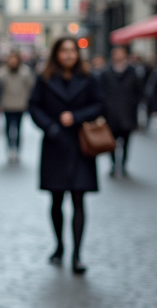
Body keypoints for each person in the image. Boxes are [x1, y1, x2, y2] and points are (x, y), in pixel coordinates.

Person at [28, 37, 105, 275]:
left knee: (79, 199)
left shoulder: (89, 77)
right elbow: (34, 106)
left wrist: (77, 116)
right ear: (56, 54)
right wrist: (51, 127)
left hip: (81, 146)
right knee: (57, 200)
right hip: (55, 145)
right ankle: (60, 245)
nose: (69, 55)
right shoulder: (45, 78)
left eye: (73, 50)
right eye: (64, 51)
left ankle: (77, 254)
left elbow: (101, 106)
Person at [98, 46, 144, 177]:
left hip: (128, 113)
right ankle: (113, 164)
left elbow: (139, 91)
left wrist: (134, 104)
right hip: (110, 114)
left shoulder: (132, 72)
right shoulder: (106, 73)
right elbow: (100, 92)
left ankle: (123, 164)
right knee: (111, 142)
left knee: (126, 141)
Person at [0, 52, 36, 163]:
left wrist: (29, 103)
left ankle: (17, 149)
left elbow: (30, 88)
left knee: (18, 128)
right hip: (7, 105)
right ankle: (10, 148)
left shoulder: (25, 72)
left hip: (20, 105)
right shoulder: (2, 73)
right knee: (8, 128)